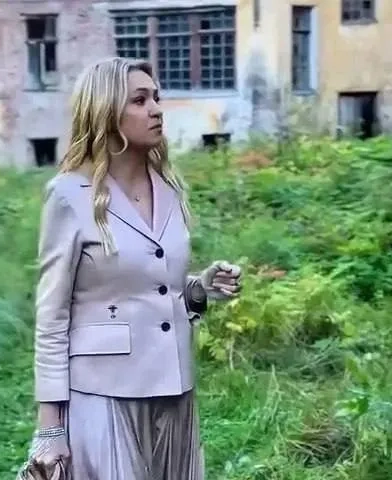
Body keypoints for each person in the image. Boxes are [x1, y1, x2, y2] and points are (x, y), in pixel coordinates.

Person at [27, 57, 242, 480]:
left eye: (156, 98)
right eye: (140, 100)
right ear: (106, 112)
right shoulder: (69, 195)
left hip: (174, 388)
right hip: (103, 393)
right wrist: (49, 427)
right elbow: (51, 316)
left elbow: (155, 287)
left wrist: (199, 288)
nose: (157, 109)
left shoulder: (170, 189)